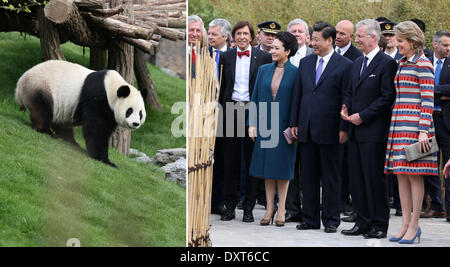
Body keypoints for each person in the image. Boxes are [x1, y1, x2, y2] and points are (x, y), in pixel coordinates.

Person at [290, 22, 353, 233]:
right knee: (307, 177)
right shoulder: (306, 63)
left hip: (331, 130)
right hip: (306, 128)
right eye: (312, 39)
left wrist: (344, 127)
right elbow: (298, 94)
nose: (313, 43)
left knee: (331, 178)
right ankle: (309, 219)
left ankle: (331, 219)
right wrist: (294, 123)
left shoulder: (344, 65)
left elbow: (346, 97)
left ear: (329, 40)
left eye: (317, 39)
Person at [340, 19, 397, 239]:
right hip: (354, 131)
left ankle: (379, 224)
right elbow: (350, 92)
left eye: (360, 36)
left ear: (373, 37)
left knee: (374, 179)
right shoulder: (356, 63)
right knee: (356, 178)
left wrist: (362, 116)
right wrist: (346, 113)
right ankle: (362, 221)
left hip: (373, 131)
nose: (357, 40)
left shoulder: (385, 63)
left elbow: (386, 97)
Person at [385, 21, 438, 244]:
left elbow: (428, 99)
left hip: (416, 127)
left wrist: (423, 131)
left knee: (415, 175)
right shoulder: (403, 62)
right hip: (399, 125)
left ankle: (415, 225)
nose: (397, 45)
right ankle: (405, 223)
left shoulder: (423, 64)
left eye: (400, 41)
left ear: (413, 41)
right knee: (401, 175)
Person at [218, 21, 272, 223]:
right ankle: (229, 206)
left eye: (245, 34)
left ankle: (248, 207)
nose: (241, 37)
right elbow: (222, 87)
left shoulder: (264, 57)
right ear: (233, 37)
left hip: (253, 110)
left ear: (252, 37)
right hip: (231, 109)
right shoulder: (226, 56)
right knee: (229, 161)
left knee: (251, 161)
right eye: (238, 33)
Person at [248, 31, 299, 227]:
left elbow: (298, 102)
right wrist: (252, 124)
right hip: (265, 125)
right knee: (267, 169)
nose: (272, 51)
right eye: (271, 47)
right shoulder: (263, 70)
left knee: (283, 169)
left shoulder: (296, 73)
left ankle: (282, 208)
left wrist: (296, 126)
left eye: (277, 48)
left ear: (288, 51)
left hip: (285, 127)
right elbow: (255, 98)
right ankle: (269, 208)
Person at [284, 18, 314, 224]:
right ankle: (290, 207)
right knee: (289, 165)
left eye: (300, 31)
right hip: (284, 116)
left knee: (307, 165)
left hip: (308, 119)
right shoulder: (280, 56)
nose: (296, 34)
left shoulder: (315, 55)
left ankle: (309, 207)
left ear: (307, 36)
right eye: (293, 31)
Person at [334, 19, 363, 222]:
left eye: (342, 34)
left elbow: (351, 93)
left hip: (348, 117)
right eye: (336, 32)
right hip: (326, 116)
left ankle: (346, 200)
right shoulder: (329, 53)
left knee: (346, 162)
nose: (337, 37)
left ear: (351, 37)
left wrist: (345, 123)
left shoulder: (357, 58)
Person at [420, 30, 450, 219]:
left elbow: (426, 88)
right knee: (428, 165)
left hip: (446, 122)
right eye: (446, 45)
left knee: (448, 165)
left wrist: (431, 89)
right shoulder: (425, 61)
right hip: (427, 121)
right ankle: (436, 205)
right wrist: (441, 93)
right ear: (436, 44)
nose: (449, 48)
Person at [208, 18, 233, 216]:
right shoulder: (201, 54)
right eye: (209, 33)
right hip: (204, 112)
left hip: (228, 113)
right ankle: (207, 198)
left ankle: (221, 200)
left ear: (225, 36)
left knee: (224, 158)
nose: (209, 37)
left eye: (214, 34)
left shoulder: (233, 57)